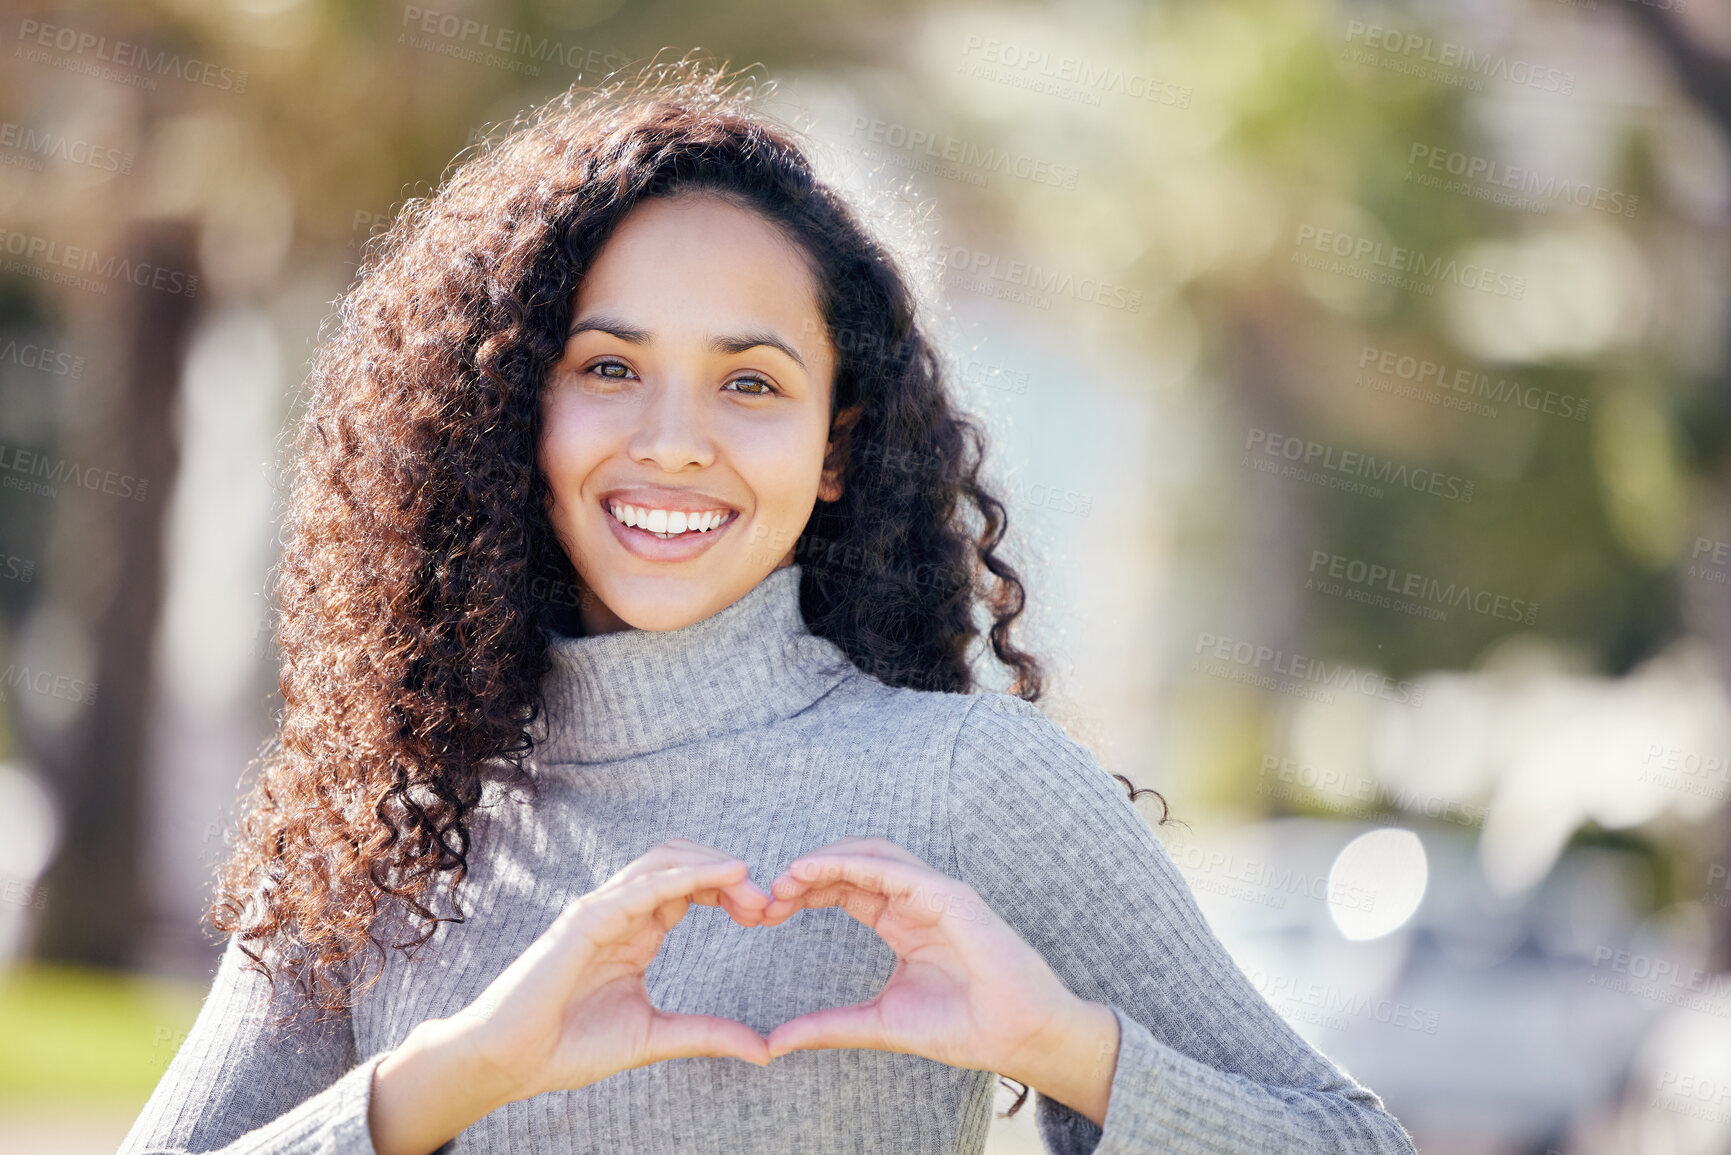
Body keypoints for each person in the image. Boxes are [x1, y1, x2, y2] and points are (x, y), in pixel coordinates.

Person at [119, 60, 1417, 1155]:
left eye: (751, 384)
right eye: (610, 366)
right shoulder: (390, 817)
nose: (675, 440)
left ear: (837, 449)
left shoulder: (968, 786)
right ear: (513, 410)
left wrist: (1065, 1049)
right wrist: (451, 1078)